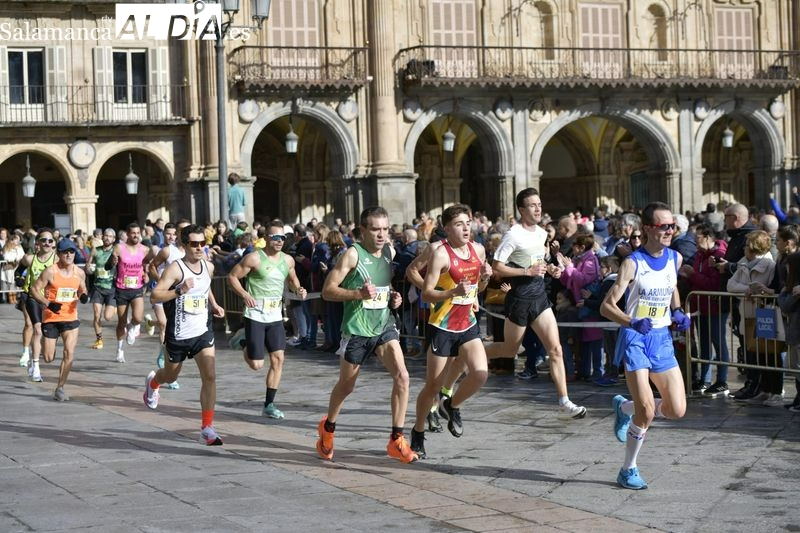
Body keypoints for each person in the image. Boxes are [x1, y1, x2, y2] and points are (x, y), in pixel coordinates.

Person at [316, 206, 418, 464]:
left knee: (403, 377)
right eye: (375, 229)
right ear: (363, 231)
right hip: (357, 330)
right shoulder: (352, 255)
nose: (382, 234)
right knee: (346, 386)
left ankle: (396, 439)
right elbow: (328, 290)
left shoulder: (389, 252)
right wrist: (356, 295)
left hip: (384, 324)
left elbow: (383, 284)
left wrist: (393, 297)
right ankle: (328, 428)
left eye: (385, 228)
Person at [600, 201, 690, 490]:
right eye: (664, 226)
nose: (669, 231)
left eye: (672, 226)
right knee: (648, 411)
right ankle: (628, 469)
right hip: (635, 339)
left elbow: (672, 284)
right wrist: (630, 321)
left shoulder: (675, 258)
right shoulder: (633, 262)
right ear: (648, 229)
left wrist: (677, 310)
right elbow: (606, 306)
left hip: (662, 338)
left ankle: (625, 408)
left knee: (677, 410)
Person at [484, 188, 587, 419]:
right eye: (532, 205)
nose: (538, 208)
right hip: (519, 299)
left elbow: (539, 261)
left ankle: (564, 401)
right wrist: (526, 271)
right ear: (521, 210)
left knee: (556, 349)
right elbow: (497, 267)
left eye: (539, 204)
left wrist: (551, 269)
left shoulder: (542, 233)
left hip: (540, 298)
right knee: (509, 351)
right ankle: (469, 353)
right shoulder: (513, 234)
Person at [409, 204, 492, 458]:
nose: (466, 227)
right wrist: (451, 292)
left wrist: (486, 277)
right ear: (447, 229)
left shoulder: (478, 250)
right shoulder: (440, 254)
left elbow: (477, 288)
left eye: (468, 222)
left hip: (467, 323)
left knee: (480, 373)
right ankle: (418, 432)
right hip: (442, 326)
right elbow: (427, 292)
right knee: (432, 385)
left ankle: (452, 404)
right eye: (459, 224)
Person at [143, 224, 226, 445]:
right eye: (194, 244)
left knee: (210, 376)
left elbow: (205, 286)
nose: (199, 248)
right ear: (184, 244)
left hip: (202, 330)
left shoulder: (208, 266)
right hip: (178, 333)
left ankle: (207, 427)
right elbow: (155, 296)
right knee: (170, 376)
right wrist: (179, 290)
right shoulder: (175, 269)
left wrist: (215, 305)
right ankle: (153, 382)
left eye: (203, 243)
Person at [227, 220, 307, 420]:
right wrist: (244, 294)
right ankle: (243, 340)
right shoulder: (254, 258)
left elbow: (292, 277)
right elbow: (232, 277)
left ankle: (269, 404)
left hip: (275, 316)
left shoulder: (288, 260)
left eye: (282, 237)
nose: (279, 241)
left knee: (278, 359)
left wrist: (298, 289)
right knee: (256, 365)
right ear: (266, 239)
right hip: (255, 314)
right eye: (275, 237)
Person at [30, 239, 89, 401]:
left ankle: (60, 387)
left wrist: (83, 295)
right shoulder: (50, 271)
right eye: (65, 252)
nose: (69, 254)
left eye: (71, 251)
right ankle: (41, 344)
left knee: (69, 353)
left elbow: (82, 287)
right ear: (59, 254)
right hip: (51, 318)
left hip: (70, 318)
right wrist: (48, 303)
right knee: (49, 358)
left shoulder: (79, 272)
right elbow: (34, 289)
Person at [106, 222, 156, 363]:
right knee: (121, 322)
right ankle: (120, 349)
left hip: (137, 288)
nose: (136, 235)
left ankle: (132, 326)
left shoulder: (145, 250)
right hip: (122, 288)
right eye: (133, 233)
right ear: (127, 234)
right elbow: (107, 266)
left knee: (138, 318)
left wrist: (146, 274)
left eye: (138, 233)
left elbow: (147, 265)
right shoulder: (119, 248)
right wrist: (112, 262)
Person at [147, 222, 184, 389]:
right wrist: (158, 282)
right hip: (160, 293)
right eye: (167, 234)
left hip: (175, 296)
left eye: (173, 234)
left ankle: (164, 353)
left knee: (170, 328)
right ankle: (166, 365)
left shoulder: (183, 252)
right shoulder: (166, 251)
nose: (170, 236)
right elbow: (151, 266)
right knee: (164, 324)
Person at [17, 228, 57, 379]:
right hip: (32, 297)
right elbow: (18, 270)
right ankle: (35, 365)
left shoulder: (57, 260)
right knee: (36, 328)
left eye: (50, 240)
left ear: (54, 244)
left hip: (49, 300)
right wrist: (18, 278)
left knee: (47, 338)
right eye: (44, 240)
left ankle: (39, 354)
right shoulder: (29, 259)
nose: (47, 243)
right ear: (38, 242)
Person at [86, 228, 118, 350]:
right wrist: (89, 268)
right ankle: (99, 340)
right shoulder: (95, 250)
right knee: (96, 315)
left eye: (110, 236)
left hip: (111, 288)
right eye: (105, 235)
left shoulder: (115, 252)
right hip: (97, 287)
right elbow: (87, 265)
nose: (107, 238)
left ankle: (113, 309)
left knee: (108, 317)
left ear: (114, 239)